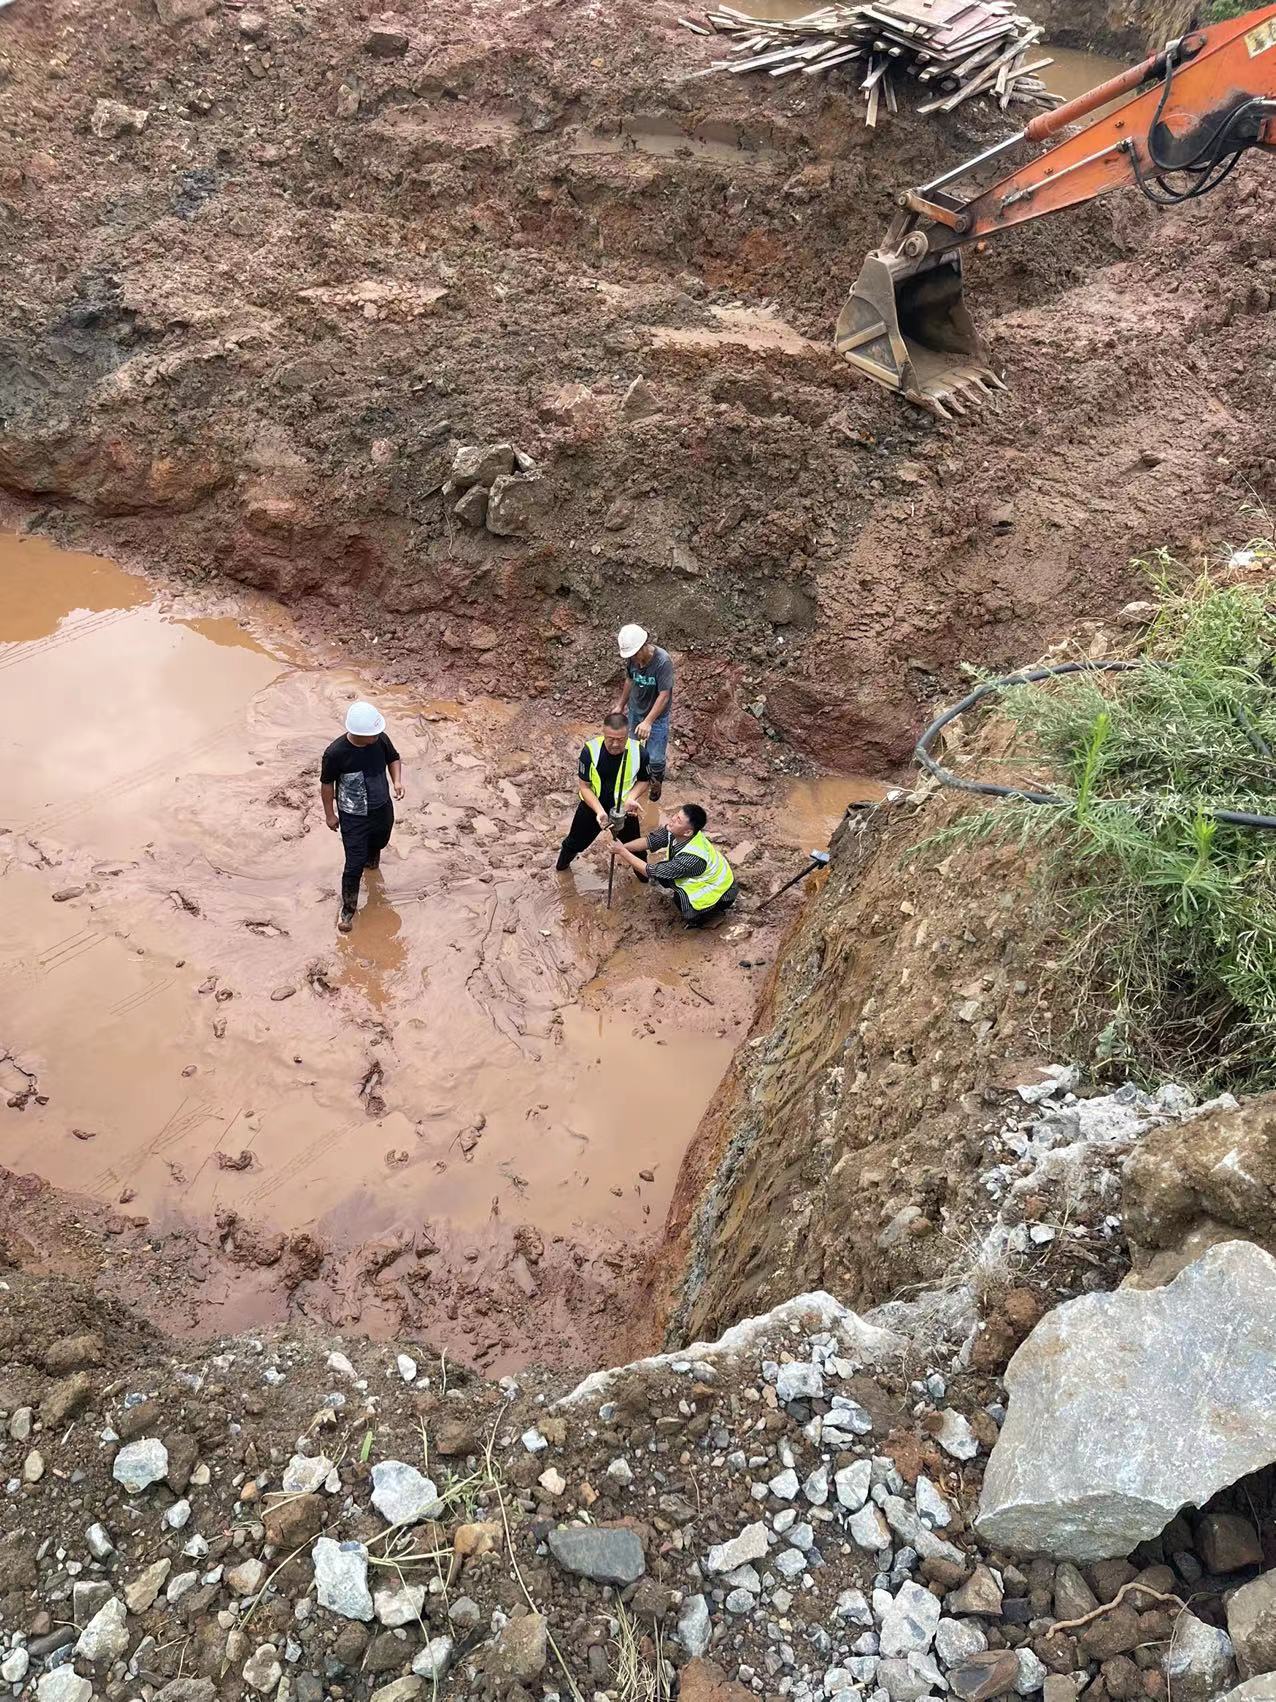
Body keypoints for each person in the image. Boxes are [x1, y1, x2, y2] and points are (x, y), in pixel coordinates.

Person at [321, 701, 404, 932]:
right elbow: (327, 784)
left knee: (380, 841)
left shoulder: (381, 739)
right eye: (372, 734)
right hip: (354, 816)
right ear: (359, 734)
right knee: (353, 864)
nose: (377, 736)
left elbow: (393, 758)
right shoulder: (335, 753)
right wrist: (330, 815)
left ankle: (372, 861)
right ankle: (347, 909)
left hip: (382, 808)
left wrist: (396, 781)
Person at [606, 802, 737, 927]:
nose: (673, 819)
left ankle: (702, 919)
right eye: (676, 815)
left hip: (722, 893)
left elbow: (649, 871)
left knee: (682, 904)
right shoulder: (673, 831)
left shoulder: (690, 859)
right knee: (663, 873)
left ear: (688, 832)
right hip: (708, 877)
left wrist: (622, 851)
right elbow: (649, 842)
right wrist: (623, 847)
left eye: (679, 820)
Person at [557, 712, 650, 871]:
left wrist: (631, 798)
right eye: (610, 739)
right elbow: (584, 786)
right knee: (574, 843)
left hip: (624, 809)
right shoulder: (590, 751)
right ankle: (562, 868)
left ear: (627, 735)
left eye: (620, 739)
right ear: (603, 733)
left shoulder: (640, 752)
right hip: (593, 807)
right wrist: (599, 811)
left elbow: (644, 780)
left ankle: (645, 879)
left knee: (637, 850)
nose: (615, 744)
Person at [615, 624, 674, 801]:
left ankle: (655, 785)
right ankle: (635, 784)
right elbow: (629, 680)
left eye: (634, 654)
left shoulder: (663, 661)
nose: (633, 659)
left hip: (657, 717)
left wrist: (648, 721)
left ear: (643, 646)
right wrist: (620, 705)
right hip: (636, 710)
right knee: (632, 750)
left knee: (655, 758)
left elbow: (664, 695)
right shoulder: (633, 659)